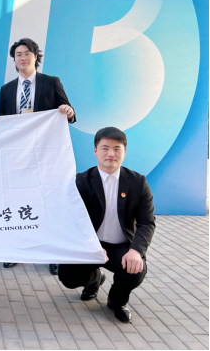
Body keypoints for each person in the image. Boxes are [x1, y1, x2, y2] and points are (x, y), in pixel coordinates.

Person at [58, 127, 155, 323]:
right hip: (89, 245)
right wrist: (89, 245)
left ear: (124, 152)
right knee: (67, 276)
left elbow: (147, 222)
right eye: (105, 148)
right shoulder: (81, 181)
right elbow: (71, 219)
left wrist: (136, 250)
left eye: (117, 149)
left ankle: (116, 301)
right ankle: (95, 279)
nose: (111, 153)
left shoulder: (138, 182)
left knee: (136, 269)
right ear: (95, 151)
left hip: (121, 247)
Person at [0, 38, 76, 272]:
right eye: (18, 55)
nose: (22, 58)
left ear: (35, 56)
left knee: (49, 202)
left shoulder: (51, 83)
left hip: (47, 156)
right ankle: (18, 250)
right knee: (20, 201)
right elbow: (0, 124)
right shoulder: (6, 89)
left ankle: (54, 254)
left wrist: (68, 111)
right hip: (18, 157)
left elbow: (70, 114)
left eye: (27, 53)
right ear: (14, 60)